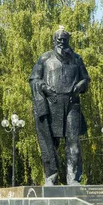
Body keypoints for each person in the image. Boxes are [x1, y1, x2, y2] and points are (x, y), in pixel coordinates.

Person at [29, 25, 90, 186]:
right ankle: (51, 176)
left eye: (65, 39)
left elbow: (86, 79)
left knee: (73, 142)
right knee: (50, 143)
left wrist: (81, 85)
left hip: (72, 105)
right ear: (54, 40)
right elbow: (34, 79)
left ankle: (73, 178)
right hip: (51, 104)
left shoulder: (77, 59)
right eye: (59, 39)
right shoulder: (45, 58)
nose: (62, 42)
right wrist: (43, 87)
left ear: (69, 40)